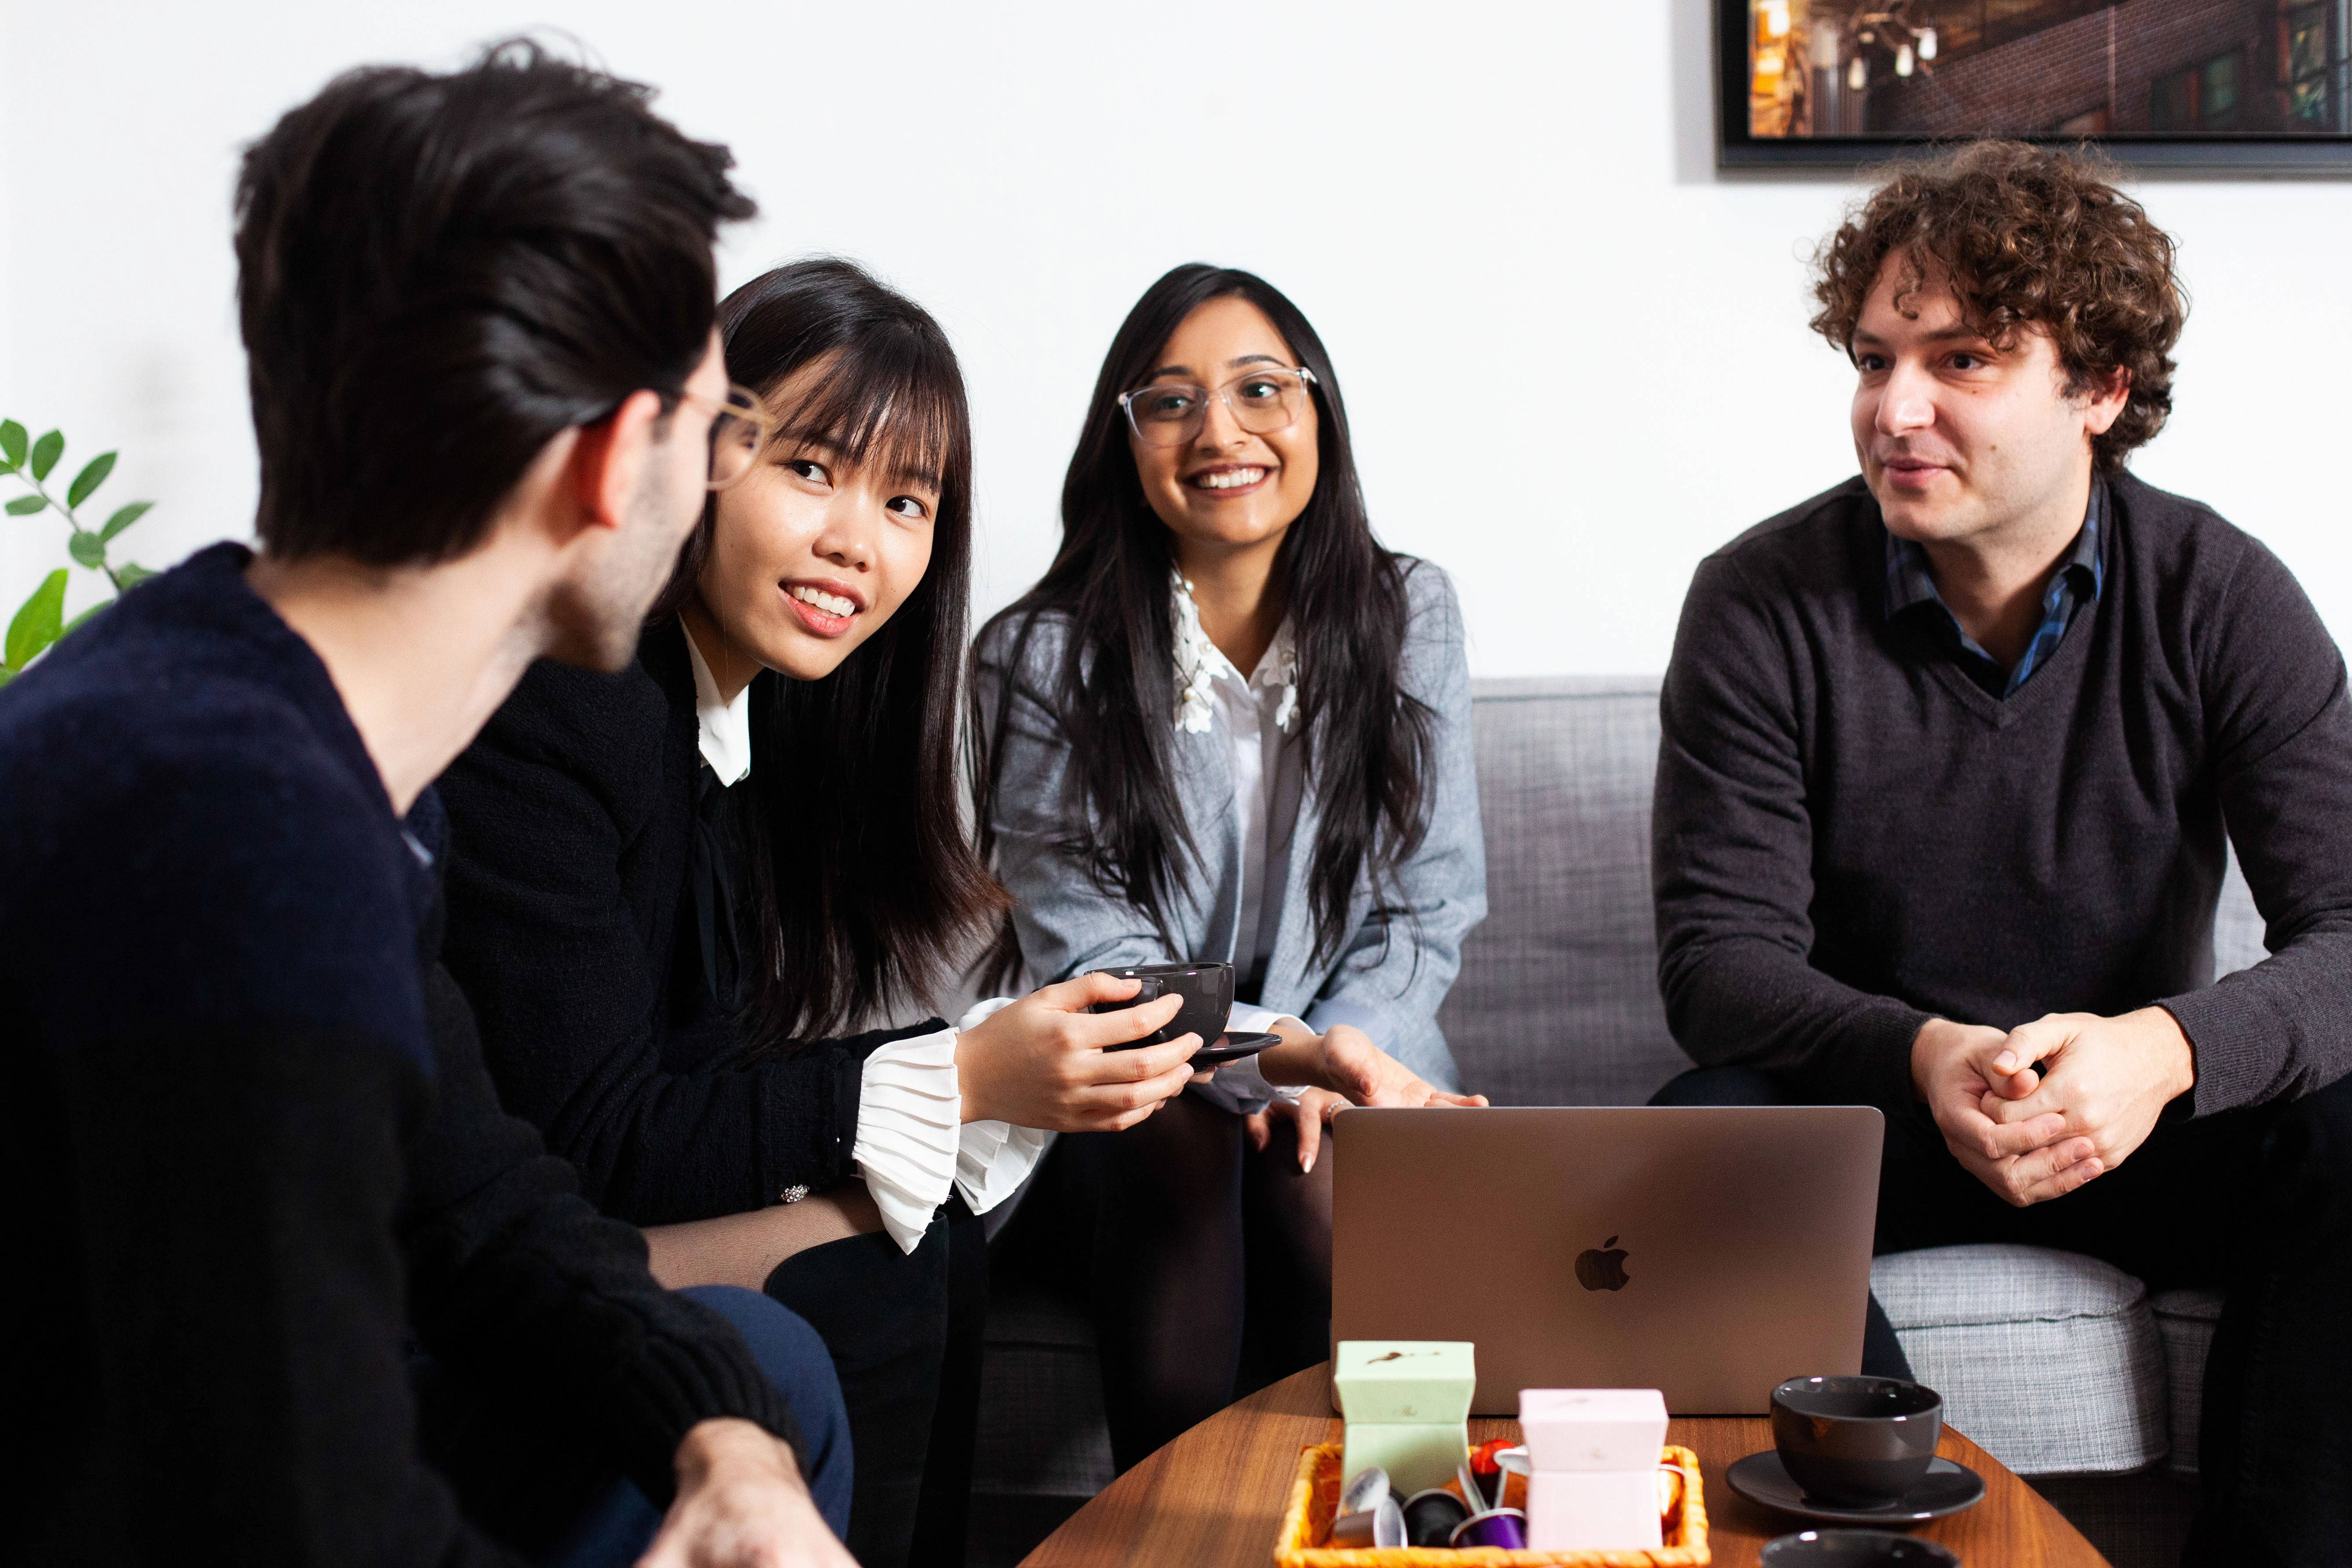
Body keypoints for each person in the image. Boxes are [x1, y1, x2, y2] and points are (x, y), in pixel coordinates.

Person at [0, 44, 861, 1568]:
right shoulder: (233, 839)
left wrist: (720, 1441)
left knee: (762, 1376)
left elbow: (474, 1193)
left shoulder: (259, 715)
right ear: (609, 465)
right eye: (715, 428)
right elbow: (291, 1521)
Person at [437, 257, 1218, 1568]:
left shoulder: (743, 721)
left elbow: (698, 1068)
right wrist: (959, 1076)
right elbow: (595, 1130)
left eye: (906, 501)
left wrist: (972, 1073)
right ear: (700, 453)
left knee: (932, 1231)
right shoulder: (571, 698)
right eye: (813, 470)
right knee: (885, 1257)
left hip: (583, 1195)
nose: (860, 541)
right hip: (497, 1239)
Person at [1648, 141, 2352, 1565]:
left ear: (2098, 390)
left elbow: (2348, 934)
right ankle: (1876, 1538)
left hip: (2129, 1111)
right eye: (1871, 358)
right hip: (1885, 1105)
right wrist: (1918, 1050)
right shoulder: (1758, 602)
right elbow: (1718, 966)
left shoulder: (2220, 597)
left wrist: (2162, 1050)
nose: (1891, 408)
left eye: (1960, 359)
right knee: (1707, 1124)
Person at [970, 263, 1489, 1472]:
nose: (1220, 432)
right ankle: (1176, 1538)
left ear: (1317, 414)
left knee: (1324, 1155)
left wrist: (1342, 1064)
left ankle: (1404, 1515)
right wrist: (1280, 1053)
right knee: (1185, 1130)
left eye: (1260, 388)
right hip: (1126, 1116)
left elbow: (1426, 908)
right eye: (1170, 400)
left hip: (1365, 1061)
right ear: (1126, 436)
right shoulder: (1039, 657)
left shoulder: (1413, 614)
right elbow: (1095, 959)